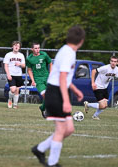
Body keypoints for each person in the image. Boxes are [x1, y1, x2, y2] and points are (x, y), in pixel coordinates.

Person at [31, 25, 85, 167]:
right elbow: (61, 78)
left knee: (69, 129)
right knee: (61, 130)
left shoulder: (69, 51)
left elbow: (64, 77)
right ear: (81, 41)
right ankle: (52, 163)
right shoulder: (68, 53)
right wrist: (66, 101)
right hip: (55, 93)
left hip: (61, 91)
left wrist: (74, 89)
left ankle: (40, 149)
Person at [84, 55, 118, 120]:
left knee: (105, 106)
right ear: (110, 61)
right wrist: (93, 83)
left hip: (105, 88)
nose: (113, 63)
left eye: (115, 61)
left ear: (117, 63)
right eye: (112, 61)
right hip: (98, 86)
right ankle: (88, 105)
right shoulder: (105, 68)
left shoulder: (117, 70)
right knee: (102, 105)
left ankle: (95, 116)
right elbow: (93, 71)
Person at [26, 43, 52, 118]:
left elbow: (50, 63)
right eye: (36, 48)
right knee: (45, 95)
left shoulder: (44, 55)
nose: (38, 50)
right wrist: (33, 80)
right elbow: (29, 70)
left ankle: (43, 108)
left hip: (47, 77)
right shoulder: (29, 58)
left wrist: (51, 74)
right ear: (32, 49)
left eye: (38, 48)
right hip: (38, 80)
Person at [4, 41, 26, 109]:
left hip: (19, 75)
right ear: (12, 46)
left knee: (17, 90)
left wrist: (20, 64)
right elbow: (5, 65)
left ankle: (15, 104)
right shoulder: (8, 55)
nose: (16, 47)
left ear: (19, 47)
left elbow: (24, 65)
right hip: (11, 74)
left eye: (18, 46)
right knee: (13, 90)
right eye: (15, 45)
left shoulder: (21, 55)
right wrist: (8, 74)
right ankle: (10, 100)